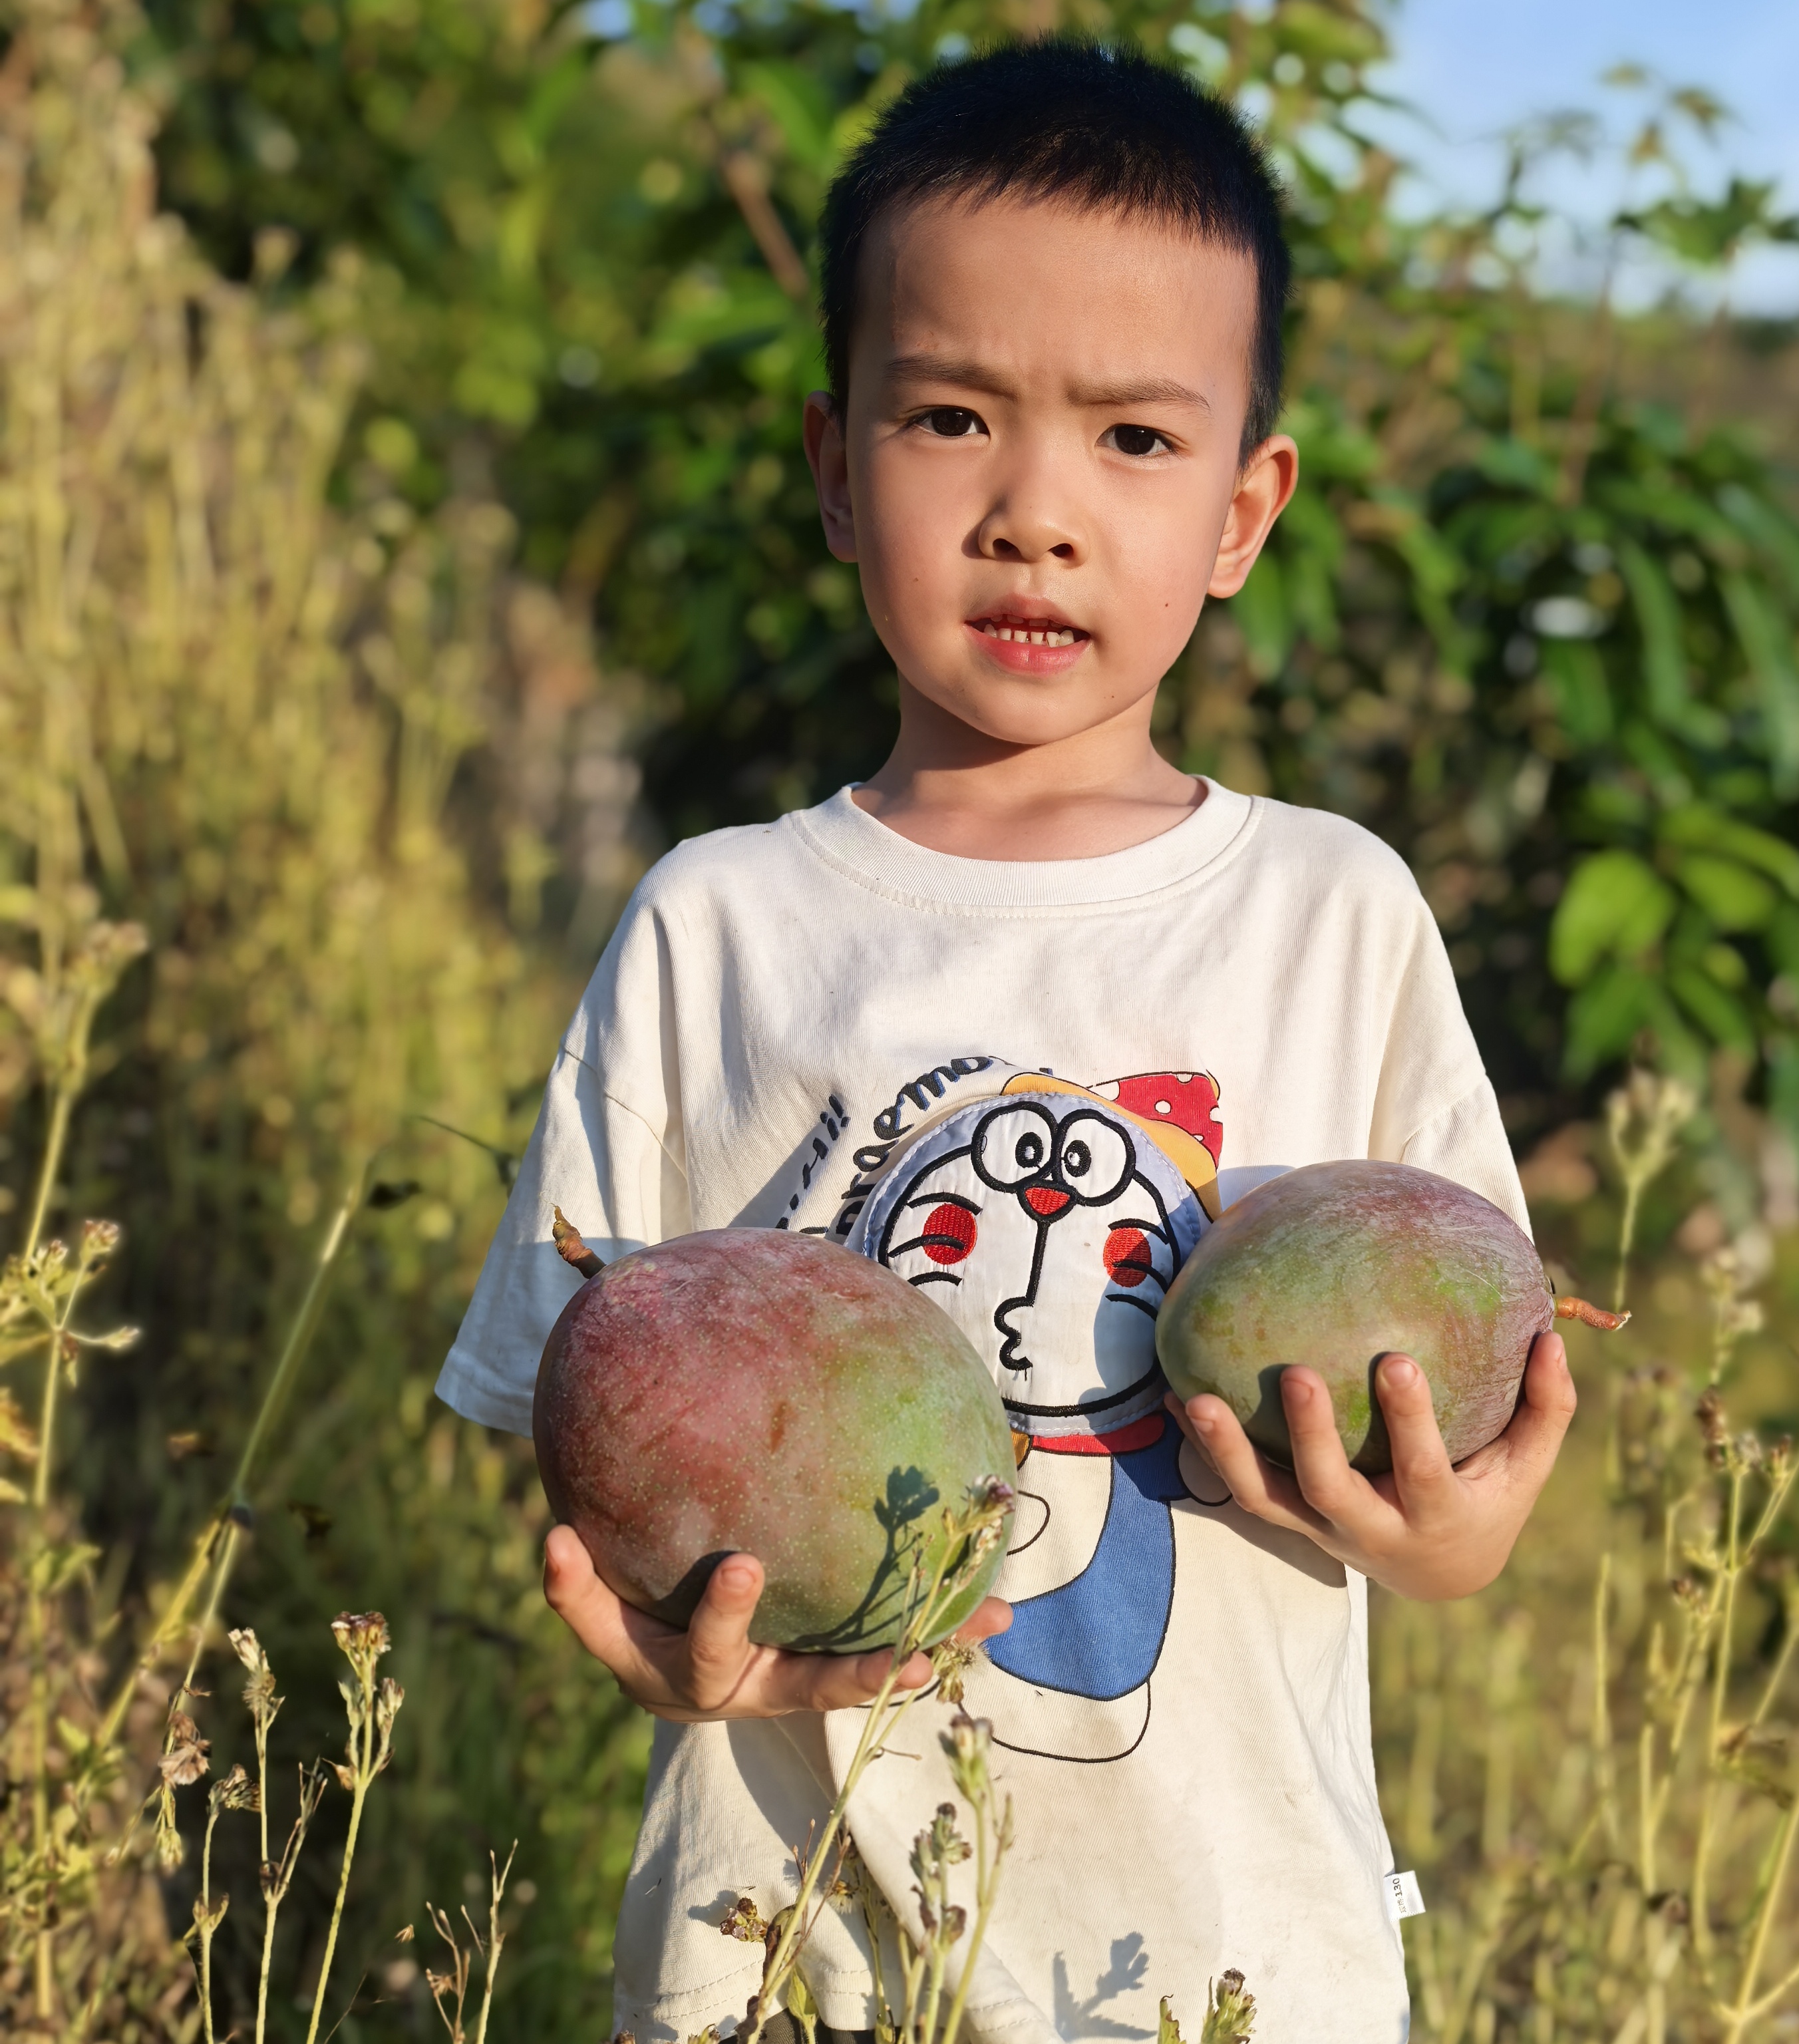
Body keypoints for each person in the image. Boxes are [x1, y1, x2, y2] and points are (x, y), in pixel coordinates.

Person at [436, 39, 1577, 2044]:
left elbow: (1467, 1402)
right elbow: (588, 1427)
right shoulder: (722, 920)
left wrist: (1459, 1535)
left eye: (1135, 441)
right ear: (830, 465)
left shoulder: (1333, 909)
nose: (1036, 513)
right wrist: (666, 1655)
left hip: (1226, 1967)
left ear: (1245, 509)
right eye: (952, 415)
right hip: (786, 1956)